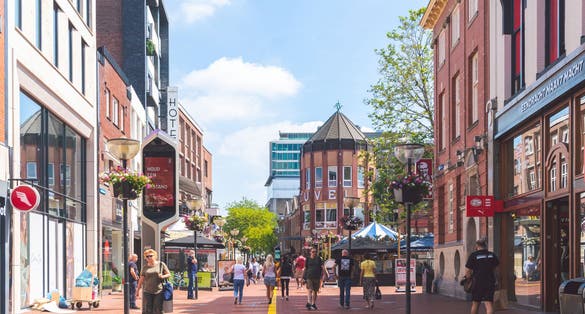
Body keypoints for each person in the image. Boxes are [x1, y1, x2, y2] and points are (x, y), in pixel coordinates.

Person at [464, 238, 499, 314]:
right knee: (489, 304)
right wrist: (496, 279)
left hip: (477, 282)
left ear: (477, 246)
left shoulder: (474, 255)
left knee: (475, 304)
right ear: (486, 245)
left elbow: (468, 270)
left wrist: (468, 279)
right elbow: (496, 269)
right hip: (490, 281)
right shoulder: (492, 255)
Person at [136, 249, 171, 314]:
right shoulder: (145, 267)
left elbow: (169, 274)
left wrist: (162, 276)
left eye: (150, 256)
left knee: (158, 309)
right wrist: (138, 290)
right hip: (147, 291)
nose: (149, 257)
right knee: (148, 309)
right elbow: (141, 279)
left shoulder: (161, 264)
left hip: (159, 290)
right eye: (147, 256)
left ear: (155, 256)